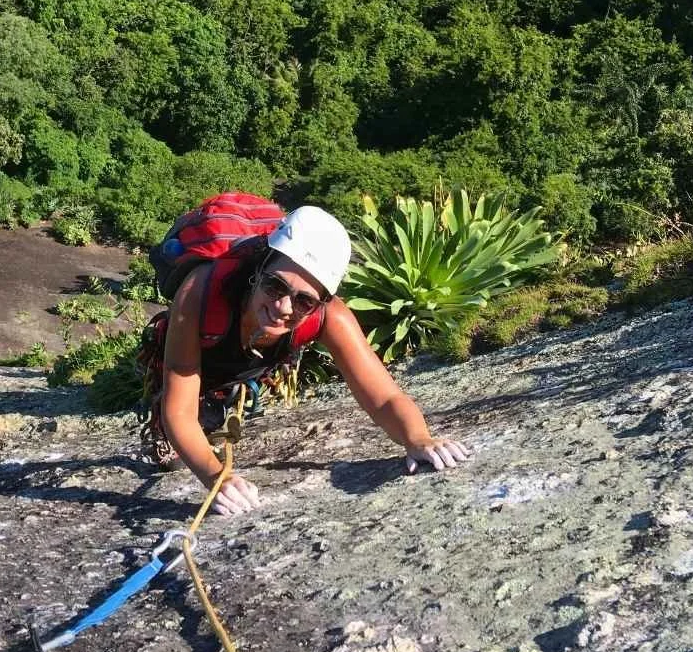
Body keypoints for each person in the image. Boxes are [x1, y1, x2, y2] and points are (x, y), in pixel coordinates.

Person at [149, 205, 470, 516]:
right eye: (275, 286)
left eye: (304, 301)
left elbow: (384, 397)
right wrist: (216, 477)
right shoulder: (199, 292)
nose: (284, 307)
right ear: (259, 268)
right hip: (206, 345)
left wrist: (417, 438)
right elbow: (179, 410)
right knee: (181, 437)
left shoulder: (332, 317)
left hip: (250, 353)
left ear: (321, 303)